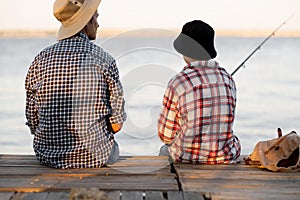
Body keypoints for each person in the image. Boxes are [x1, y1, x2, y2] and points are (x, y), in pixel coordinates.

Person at [25, 0, 126, 168]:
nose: (98, 24)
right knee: (114, 149)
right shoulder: (104, 59)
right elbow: (117, 124)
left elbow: (33, 121)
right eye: (96, 17)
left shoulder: (40, 60)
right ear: (86, 22)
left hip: (47, 156)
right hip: (96, 157)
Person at [158, 20, 241, 164]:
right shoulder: (228, 79)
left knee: (164, 150)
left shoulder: (178, 82)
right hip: (224, 157)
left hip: (187, 157)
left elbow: (166, 136)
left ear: (184, 50)